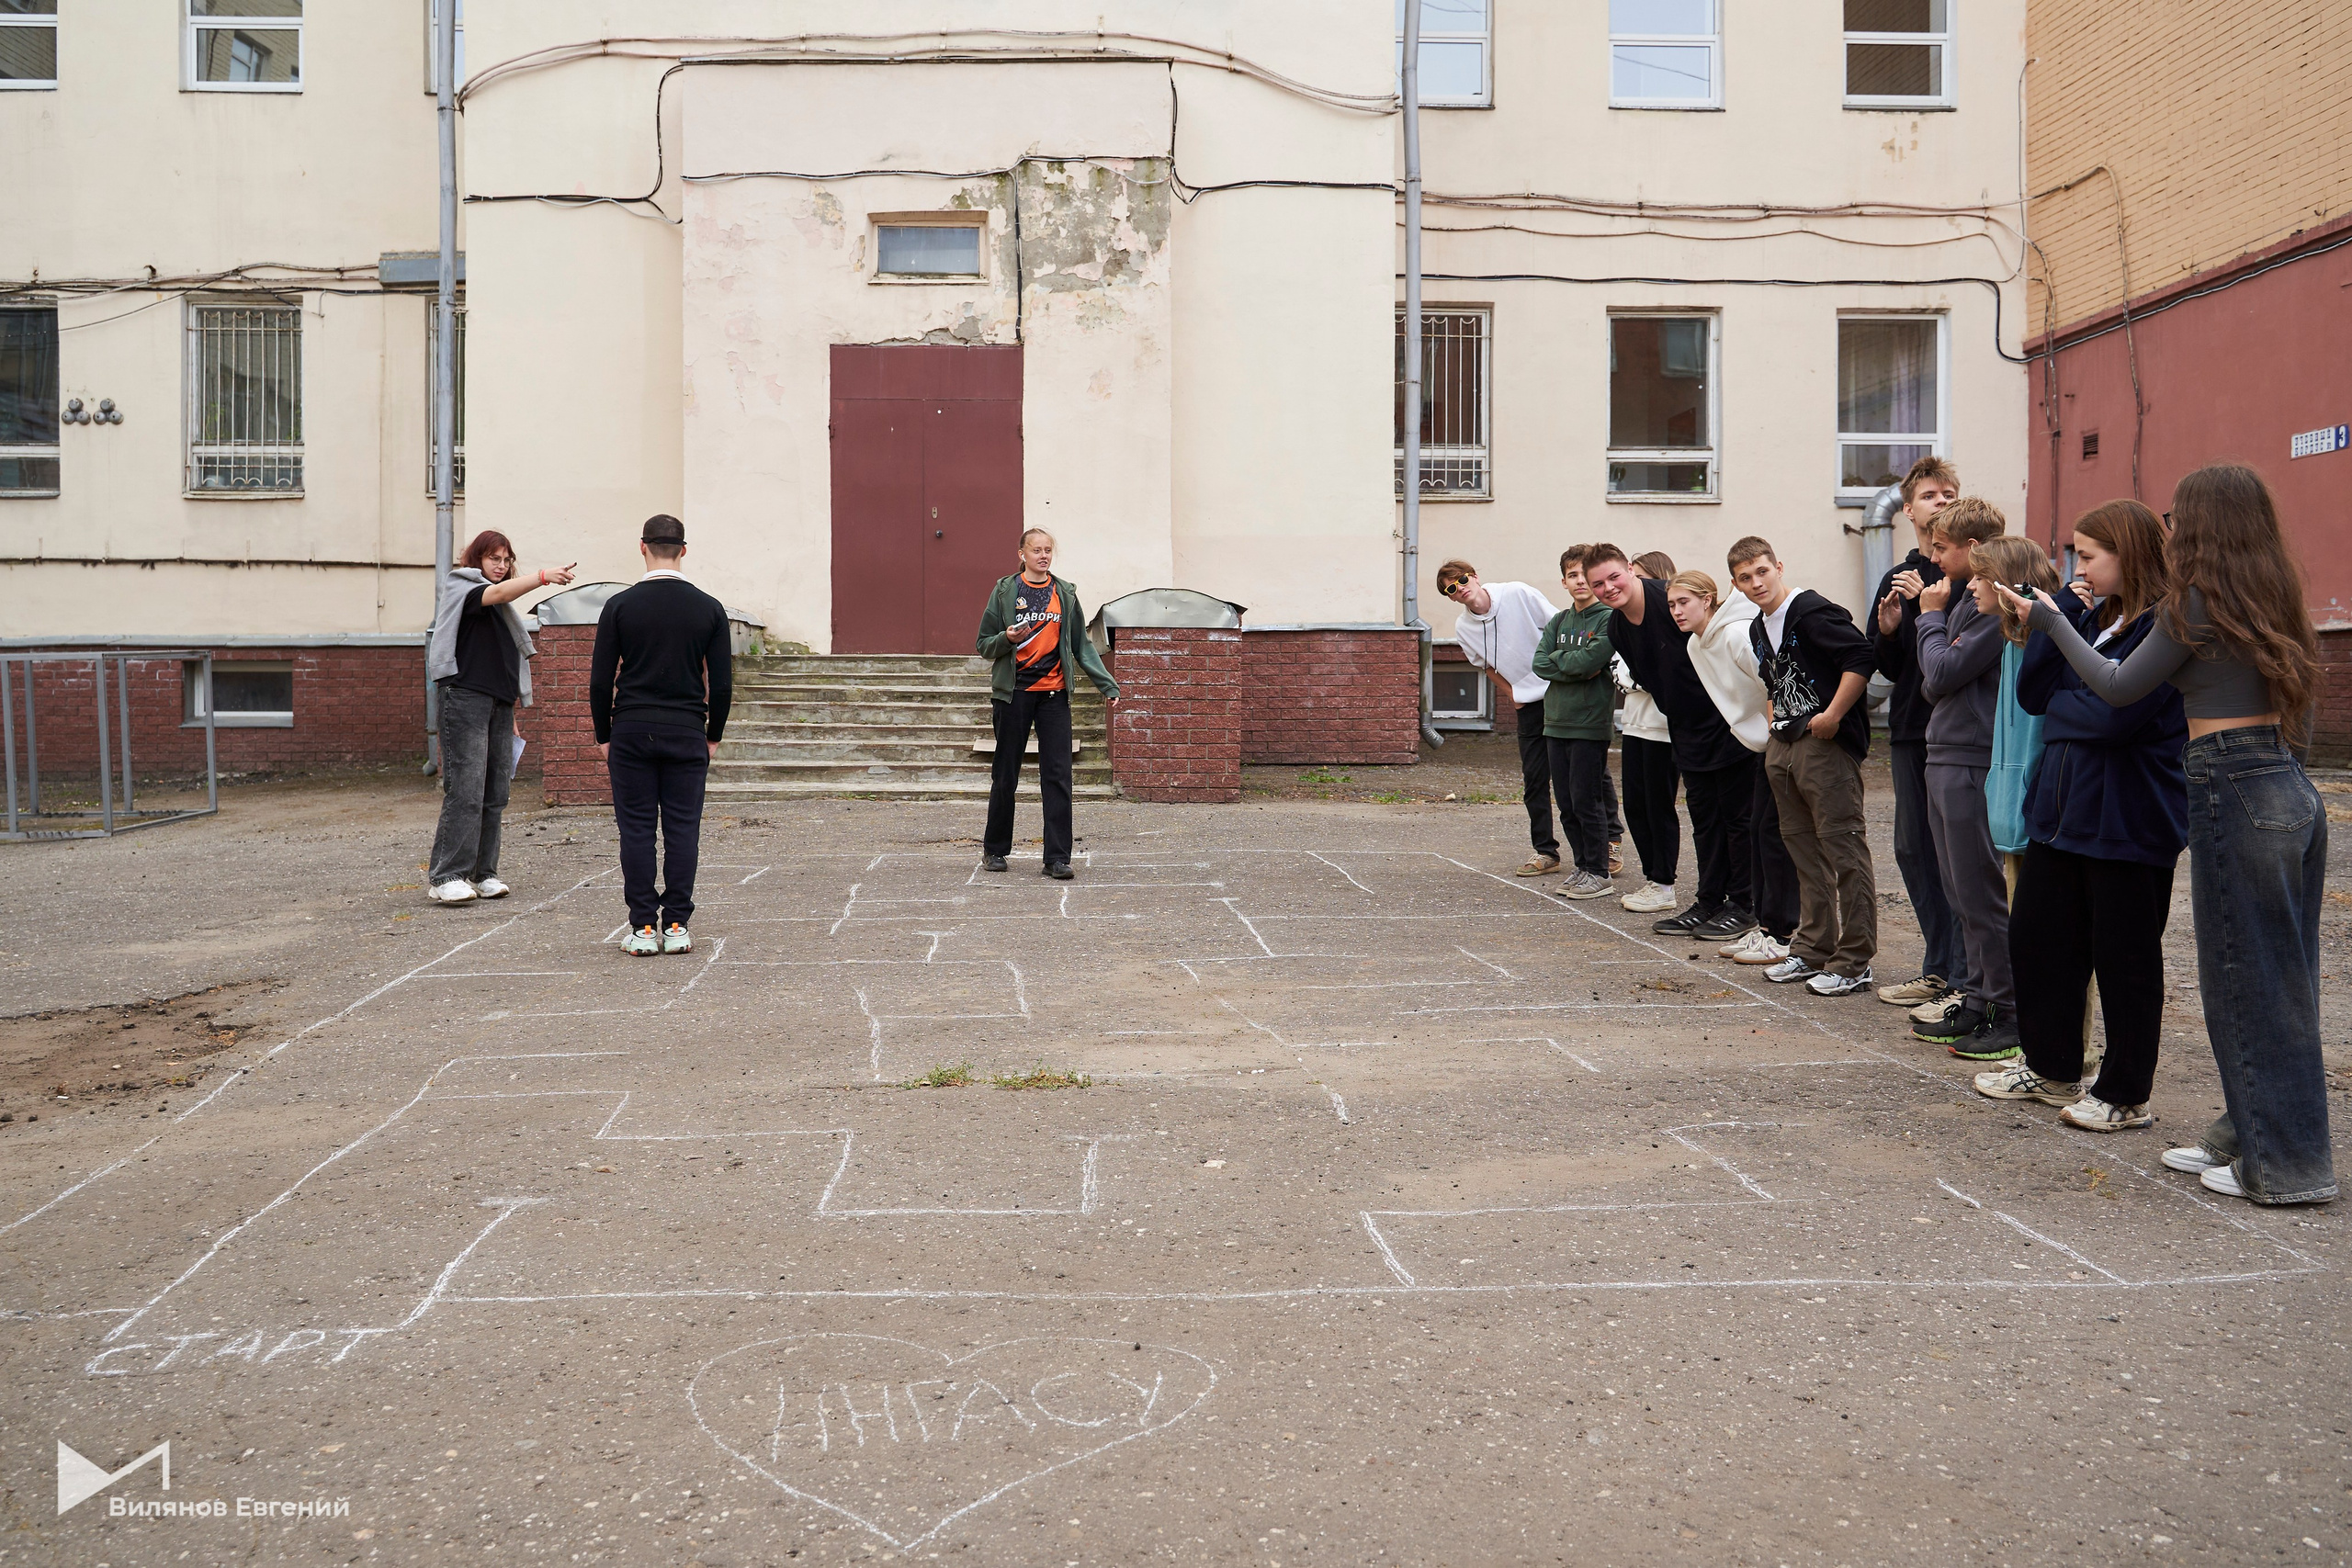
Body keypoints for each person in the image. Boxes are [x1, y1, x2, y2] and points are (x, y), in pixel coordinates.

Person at [1999, 464, 2333, 1206]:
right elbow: (2299, 704)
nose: (2170, 531)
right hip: (2282, 779)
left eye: (2180, 518)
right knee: (2283, 981)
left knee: (2245, 985)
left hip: (2231, 780)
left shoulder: (2194, 600)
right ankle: (2246, 1132)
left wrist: (2052, 622)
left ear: (2208, 524)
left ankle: (2285, 1165)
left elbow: (2119, 689)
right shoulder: (2269, 592)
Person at [1973, 502, 2186, 1131]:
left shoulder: (2160, 627)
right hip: (2061, 815)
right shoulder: (2093, 618)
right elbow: (2035, 695)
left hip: (2127, 819)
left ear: (2130, 554)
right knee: (2040, 939)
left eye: (2089, 555)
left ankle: (2125, 1092)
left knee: (2124, 959)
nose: (2078, 566)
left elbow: (2116, 716)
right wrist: (2060, 615)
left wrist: (2077, 700)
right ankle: (2049, 1064)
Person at [1729, 536, 1878, 996]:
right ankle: (1814, 948)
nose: (1756, 583)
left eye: (1762, 572)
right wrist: (1776, 724)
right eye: (1744, 578)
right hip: (1785, 744)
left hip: (1824, 743)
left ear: (1778, 565)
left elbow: (1861, 657)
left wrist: (1832, 715)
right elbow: (1774, 680)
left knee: (1843, 849)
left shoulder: (1811, 611)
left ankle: (1855, 961)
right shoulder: (1758, 627)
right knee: (1801, 850)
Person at [1586, 547, 1758, 944]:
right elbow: (1652, 679)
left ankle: (1745, 905)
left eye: (1614, 577)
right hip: (1685, 731)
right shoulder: (1616, 627)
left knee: (1738, 820)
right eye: (1598, 584)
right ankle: (1710, 900)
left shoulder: (1672, 601)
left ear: (1630, 570)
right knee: (1705, 822)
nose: (1608, 588)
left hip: (1727, 727)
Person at [1908, 501, 2030, 1052]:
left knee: (1980, 893)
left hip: (1970, 756)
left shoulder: (1988, 608)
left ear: (1975, 550)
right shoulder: (1967, 601)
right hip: (1945, 751)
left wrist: (1928, 619)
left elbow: (1939, 675)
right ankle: (1978, 1000)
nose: (1933, 558)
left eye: (1941, 548)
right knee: (1959, 890)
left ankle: (2006, 1013)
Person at [590, 514, 732, 956]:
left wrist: (603, 733)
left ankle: (643, 929)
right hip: (687, 730)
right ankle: (676, 925)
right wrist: (713, 734)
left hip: (631, 729)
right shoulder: (709, 608)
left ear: (642, 547)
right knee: (682, 830)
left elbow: (599, 681)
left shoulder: (619, 606)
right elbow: (722, 683)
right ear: (684, 550)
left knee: (635, 830)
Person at [424, 530, 575, 905]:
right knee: (467, 790)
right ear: (477, 559)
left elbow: (504, 661)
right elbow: (500, 592)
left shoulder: (501, 611)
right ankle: (446, 876)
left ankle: (484, 873)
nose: (502, 566)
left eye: (507, 560)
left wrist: (510, 714)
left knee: (495, 793)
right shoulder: (465, 587)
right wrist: (542, 577)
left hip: (498, 705)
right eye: (494, 558)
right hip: (464, 699)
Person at [1871, 457, 1964, 1008]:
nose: (1943, 500)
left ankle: (1963, 973)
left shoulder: (1971, 571)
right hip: (1911, 728)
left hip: (1963, 733)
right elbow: (1885, 662)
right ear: (1909, 510)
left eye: (1950, 492)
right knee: (1913, 847)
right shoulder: (1899, 577)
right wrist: (1887, 629)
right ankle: (1938, 964)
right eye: (1931, 495)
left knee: (1958, 852)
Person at [976, 528, 1121, 880]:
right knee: (1005, 773)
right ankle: (995, 850)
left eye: (1048, 550)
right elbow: (983, 644)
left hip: (1054, 694)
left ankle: (1057, 857)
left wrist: (1107, 685)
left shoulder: (1064, 593)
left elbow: (1081, 646)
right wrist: (1006, 638)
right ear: (1021, 554)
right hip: (1014, 695)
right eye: (1036, 550)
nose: (1043, 556)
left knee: (1058, 776)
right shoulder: (1006, 591)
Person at [1669, 570, 1794, 966]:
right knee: (1720, 824)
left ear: (1708, 599)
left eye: (1683, 602)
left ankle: (1750, 909)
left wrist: (1773, 735)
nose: (1676, 611)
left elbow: (1772, 685)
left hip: (1766, 744)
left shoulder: (1737, 634)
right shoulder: (1695, 644)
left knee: (1755, 830)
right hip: (1740, 739)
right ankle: (1713, 902)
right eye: (1670, 604)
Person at [1440, 559, 1564, 875]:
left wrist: (1568, 676)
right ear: (1452, 598)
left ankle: (1608, 842)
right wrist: (1513, 694)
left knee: (1580, 772)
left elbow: (1557, 627)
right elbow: (1486, 667)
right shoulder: (1463, 627)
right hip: (1528, 703)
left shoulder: (1516, 593)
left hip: (1561, 691)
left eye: (1463, 579)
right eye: (1452, 589)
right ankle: (1545, 852)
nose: (1461, 588)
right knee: (1535, 779)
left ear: (1476, 577)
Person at [1530, 547, 1620, 899]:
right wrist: (1574, 663)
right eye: (1572, 575)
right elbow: (1540, 663)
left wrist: (1566, 662)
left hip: (1589, 723)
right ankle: (1582, 867)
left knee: (1587, 800)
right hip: (1555, 722)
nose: (1579, 581)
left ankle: (1599, 871)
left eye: (1585, 574)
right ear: (1564, 581)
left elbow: (1594, 660)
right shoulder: (1558, 621)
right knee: (1566, 802)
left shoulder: (1607, 617)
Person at [1616, 551, 1679, 911]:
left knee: (1659, 806)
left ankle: (1664, 883)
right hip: (1635, 723)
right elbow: (1621, 671)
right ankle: (1652, 879)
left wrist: (1635, 676)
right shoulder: (1621, 623)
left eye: (1638, 576)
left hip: (1663, 727)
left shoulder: (1668, 616)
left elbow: (1647, 672)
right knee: (1636, 806)